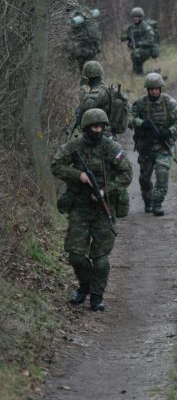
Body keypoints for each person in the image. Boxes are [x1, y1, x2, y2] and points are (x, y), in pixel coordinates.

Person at [51, 109, 133, 311]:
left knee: (101, 259)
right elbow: (56, 165)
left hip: (103, 209)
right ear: (86, 127)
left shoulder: (111, 147)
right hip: (79, 207)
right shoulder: (75, 146)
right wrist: (78, 175)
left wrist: (105, 190)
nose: (98, 130)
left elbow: (126, 173)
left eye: (101, 127)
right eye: (94, 127)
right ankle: (85, 285)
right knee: (75, 255)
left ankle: (97, 296)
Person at [129, 72, 177, 216]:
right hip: (146, 146)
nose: (154, 91)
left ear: (160, 88)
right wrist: (142, 123)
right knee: (144, 178)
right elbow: (129, 118)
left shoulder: (169, 102)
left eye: (156, 89)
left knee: (162, 173)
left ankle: (157, 203)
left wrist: (169, 131)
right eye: (151, 89)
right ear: (147, 90)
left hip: (162, 146)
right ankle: (147, 200)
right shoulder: (141, 103)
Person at [66, 0, 102, 72]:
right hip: (93, 46)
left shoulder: (72, 16)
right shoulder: (86, 12)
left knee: (85, 71)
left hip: (82, 49)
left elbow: (68, 32)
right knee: (94, 68)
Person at [120, 7, 158, 75]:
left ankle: (139, 73)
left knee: (136, 54)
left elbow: (150, 41)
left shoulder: (146, 26)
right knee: (134, 54)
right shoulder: (131, 27)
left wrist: (138, 43)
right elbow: (122, 37)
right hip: (137, 49)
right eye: (133, 17)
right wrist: (128, 37)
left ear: (140, 17)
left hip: (148, 49)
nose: (134, 18)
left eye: (136, 17)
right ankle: (137, 73)